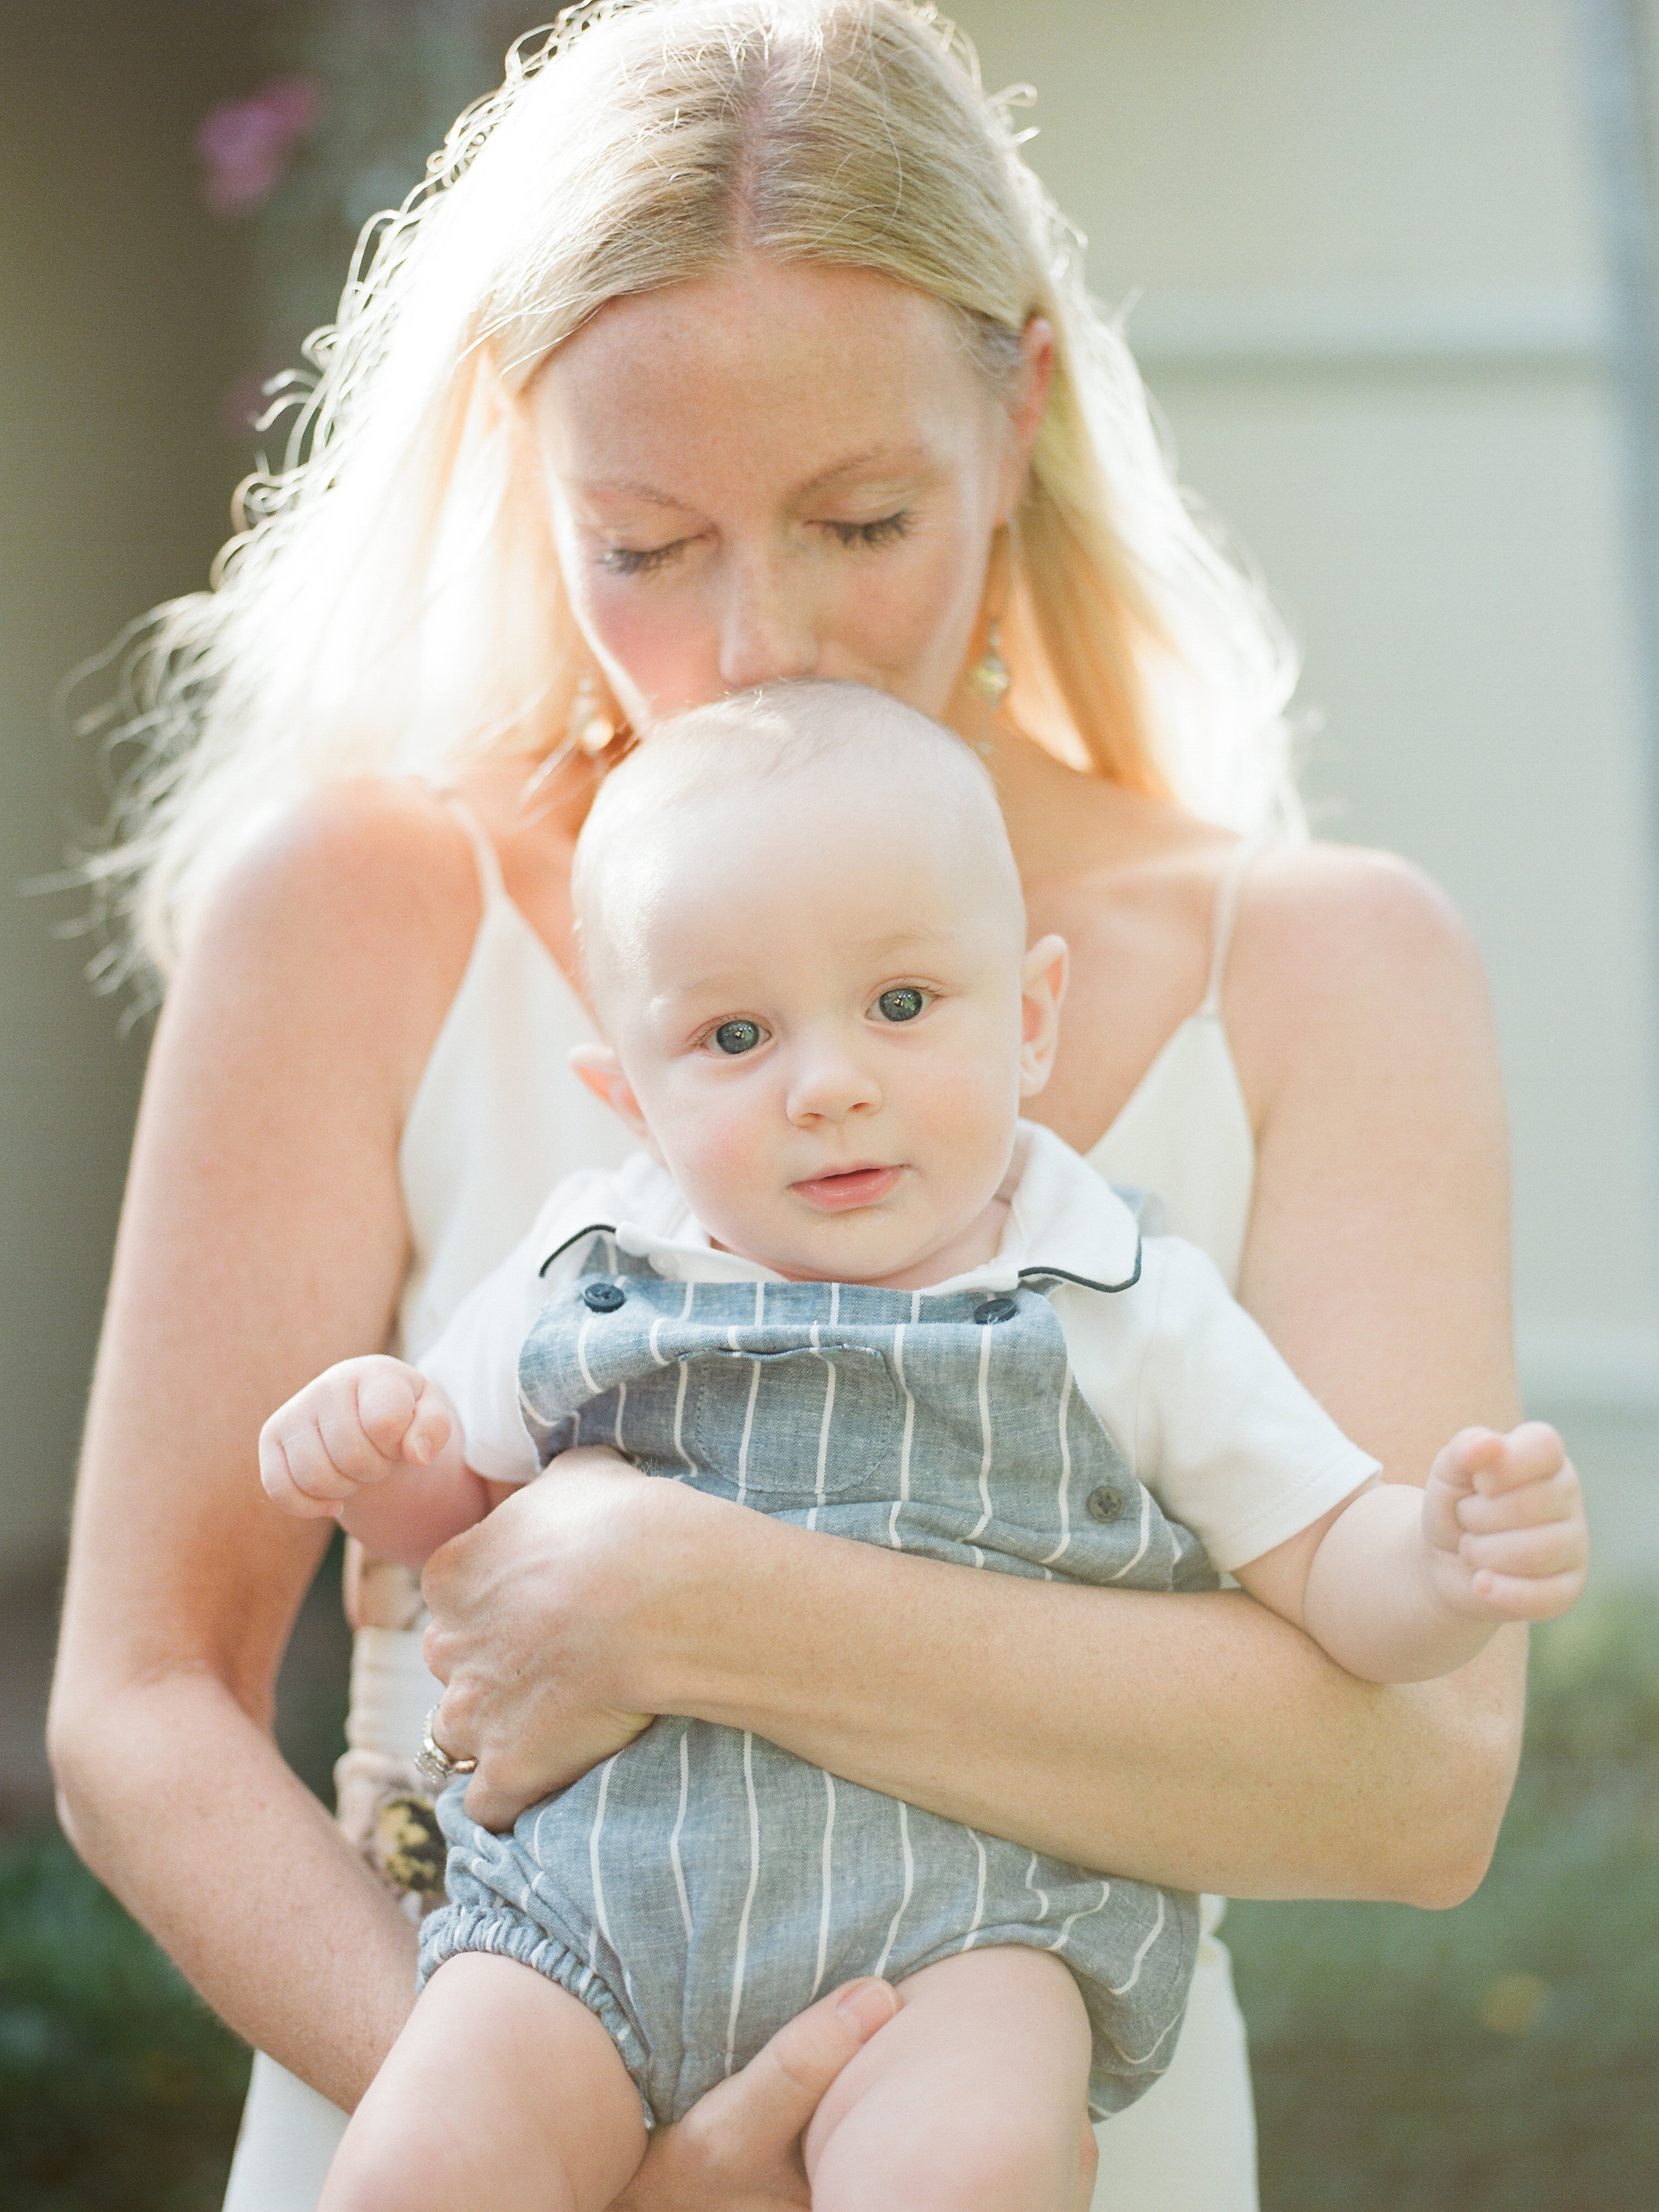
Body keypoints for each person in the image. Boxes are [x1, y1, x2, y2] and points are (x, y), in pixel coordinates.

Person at [45, 7, 1541, 2209]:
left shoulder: (1322, 966)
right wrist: (597, 2139)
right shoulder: (357, 912)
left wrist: (664, 1586)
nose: (766, 645)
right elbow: (139, 1703)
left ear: (1015, 409)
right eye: (645, 543)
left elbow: (1414, 1782)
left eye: (859, 518)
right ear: (524, 458)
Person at [257, 686, 1583, 2212]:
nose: (827, 1082)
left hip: (966, 1927)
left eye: (899, 1004)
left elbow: (1322, 1558)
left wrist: (1429, 1556)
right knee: (416, 2167)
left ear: (1027, 1017)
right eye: (734, 1034)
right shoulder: (591, 1258)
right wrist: (379, 1447)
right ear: (628, 1096)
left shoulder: (1111, 1294)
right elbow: (458, 1528)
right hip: (589, 1912)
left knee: (966, 2165)